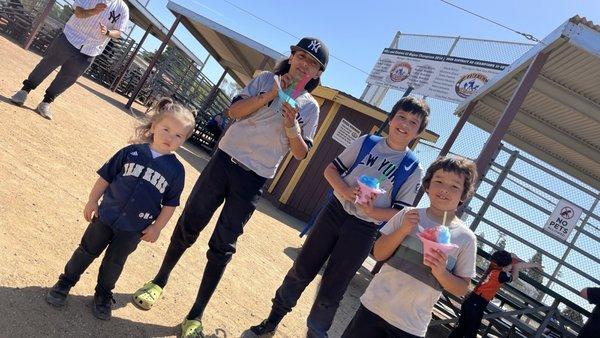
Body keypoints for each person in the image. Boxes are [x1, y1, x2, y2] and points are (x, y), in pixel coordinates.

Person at [131, 37, 329, 338]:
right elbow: (234, 113)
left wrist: (293, 125)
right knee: (189, 224)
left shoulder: (310, 108)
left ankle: (195, 314)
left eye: (312, 63)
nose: (303, 64)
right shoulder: (265, 79)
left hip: (254, 178)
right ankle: (159, 281)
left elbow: (301, 153)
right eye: (300, 55)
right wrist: (269, 95)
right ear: (290, 57)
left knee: (223, 246)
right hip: (224, 162)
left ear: (316, 73)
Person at [249, 97, 430, 338]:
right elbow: (331, 169)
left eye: (413, 122)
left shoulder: (411, 167)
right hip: (335, 211)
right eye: (401, 117)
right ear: (392, 117)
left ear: (419, 132)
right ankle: (272, 320)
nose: (404, 124)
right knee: (302, 267)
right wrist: (345, 190)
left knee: (333, 287)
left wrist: (373, 211)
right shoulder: (368, 142)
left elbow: (401, 210)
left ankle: (315, 332)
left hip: (364, 229)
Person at [44, 98, 196, 320]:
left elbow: (170, 204)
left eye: (178, 136)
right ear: (153, 126)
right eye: (166, 129)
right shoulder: (130, 152)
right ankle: (65, 282)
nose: (169, 137)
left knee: (114, 263)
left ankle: (103, 295)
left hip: (134, 228)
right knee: (86, 251)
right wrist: (92, 200)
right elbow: (105, 177)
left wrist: (157, 228)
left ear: (183, 141)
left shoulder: (176, 171)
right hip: (106, 216)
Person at [342, 156, 479, 338]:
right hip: (373, 308)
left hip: (411, 326)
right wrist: (403, 230)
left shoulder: (465, 238)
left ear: (463, 195)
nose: (445, 189)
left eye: (454, 186)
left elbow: (462, 289)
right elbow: (379, 253)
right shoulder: (407, 215)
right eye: (439, 181)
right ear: (428, 185)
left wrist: (441, 272)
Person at [10, 0, 129, 120]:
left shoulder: (122, 8)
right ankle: (24, 91)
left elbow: (119, 32)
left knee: (68, 78)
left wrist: (108, 32)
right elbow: (78, 12)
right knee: (46, 65)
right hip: (70, 37)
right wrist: (94, 11)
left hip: (91, 49)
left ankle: (46, 103)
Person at [448, 250, 543, 338]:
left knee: (461, 328)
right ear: (504, 265)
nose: (512, 265)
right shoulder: (501, 275)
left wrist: (534, 264)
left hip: (472, 301)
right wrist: (517, 267)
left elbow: (515, 263)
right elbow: (515, 275)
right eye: (511, 264)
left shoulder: (494, 268)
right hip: (477, 304)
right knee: (470, 331)